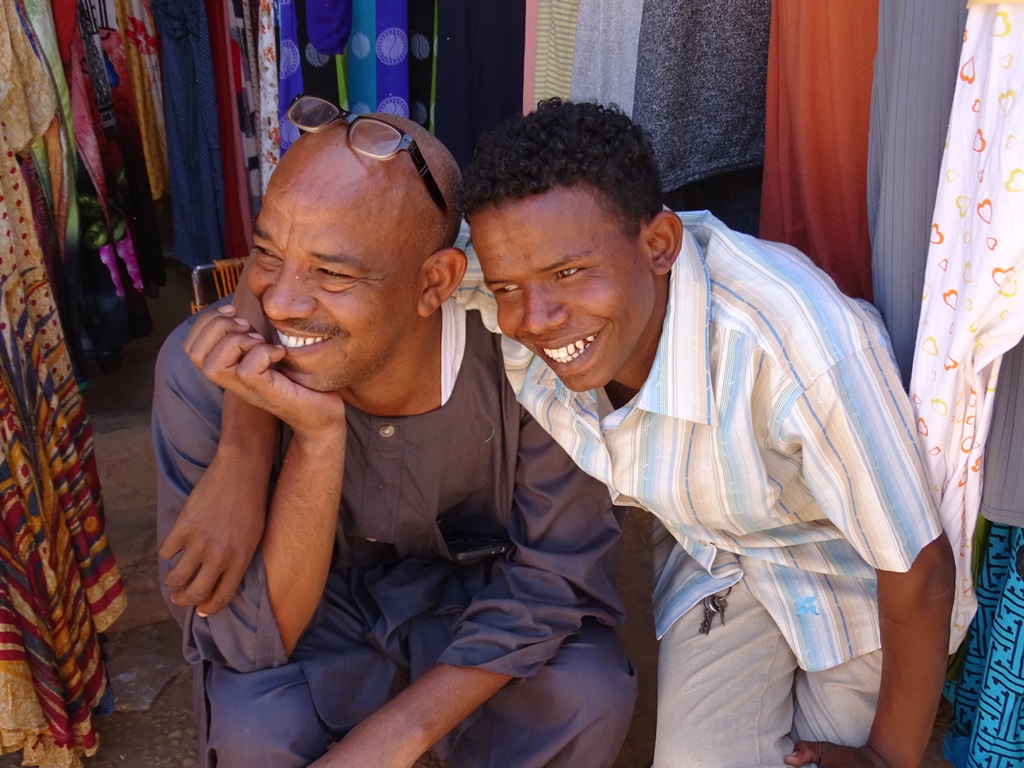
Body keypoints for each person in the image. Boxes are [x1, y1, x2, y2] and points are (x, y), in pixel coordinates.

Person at [453, 99, 955, 768]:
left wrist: (887, 759)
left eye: (568, 274)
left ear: (659, 246)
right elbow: (391, 243)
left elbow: (917, 572)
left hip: (855, 581)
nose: (536, 317)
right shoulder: (508, 276)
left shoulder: (793, 347)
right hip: (717, 550)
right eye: (508, 285)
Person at [153, 98, 636, 768]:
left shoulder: (524, 351)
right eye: (267, 252)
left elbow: (558, 572)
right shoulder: (211, 373)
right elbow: (250, 641)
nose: (282, 301)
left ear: (434, 282)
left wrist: (400, 733)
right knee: (253, 725)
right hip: (318, 623)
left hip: (479, 601)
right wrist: (304, 439)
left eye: (333, 273)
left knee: (585, 691)